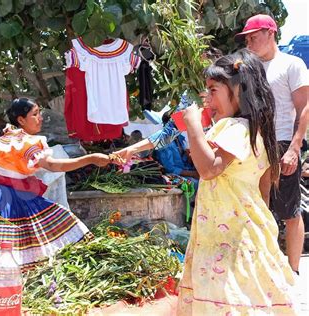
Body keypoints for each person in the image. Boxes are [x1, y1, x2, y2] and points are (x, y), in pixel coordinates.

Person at [115, 49, 296, 314]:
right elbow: (169, 132)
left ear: (238, 89)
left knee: (225, 294)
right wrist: (132, 150)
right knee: (243, 292)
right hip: (243, 227)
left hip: (228, 230)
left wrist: (194, 128)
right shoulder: (256, 130)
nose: (207, 98)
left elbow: (210, 170)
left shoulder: (234, 128)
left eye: (213, 90)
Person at [0, 98, 110, 269]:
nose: (40, 118)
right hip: (11, 200)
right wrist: (90, 159)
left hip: (2, 198)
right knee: (58, 227)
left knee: (13, 249)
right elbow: (53, 165)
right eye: (35, 114)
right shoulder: (27, 142)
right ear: (21, 120)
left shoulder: (6, 138)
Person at [236, 13, 309, 275]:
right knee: (258, 208)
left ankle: (293, 271)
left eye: (253, 37)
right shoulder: (247, 69)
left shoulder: (292, 64)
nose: (249, 43)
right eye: (247, 39)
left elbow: (304, 108)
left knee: (289, 210)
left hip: (282, 143)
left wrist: (294, 147)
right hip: (255, 145)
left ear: (270, 33)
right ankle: (262, 268)